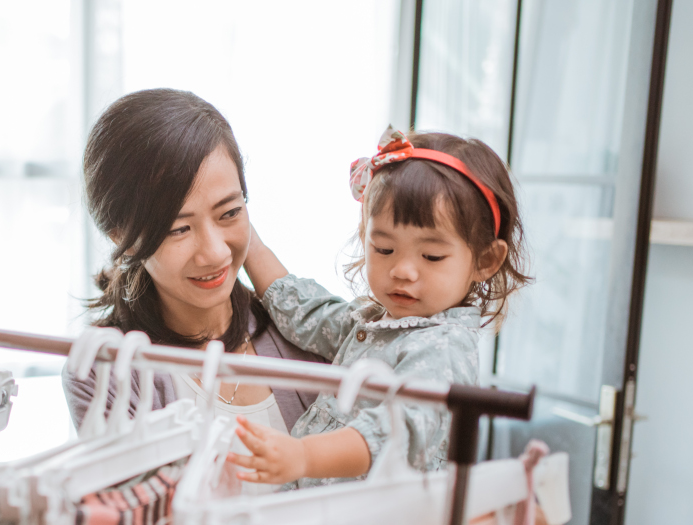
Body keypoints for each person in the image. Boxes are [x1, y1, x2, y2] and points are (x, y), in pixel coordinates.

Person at [233, 126, 531, 488]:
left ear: (485, 260)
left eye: (432, 256)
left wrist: (305, 456)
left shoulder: (444, 349)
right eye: (384, 249)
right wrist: (250, 245)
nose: (402, 271)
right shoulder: (379, 321)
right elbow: (310, 314)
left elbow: (398, 432)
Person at [62, 88, 326, 437]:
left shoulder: (309, 336)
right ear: (120, 238)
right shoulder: (108, 369)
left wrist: (254, 251)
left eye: (230, 212)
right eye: (178, 229)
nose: (215, 253)